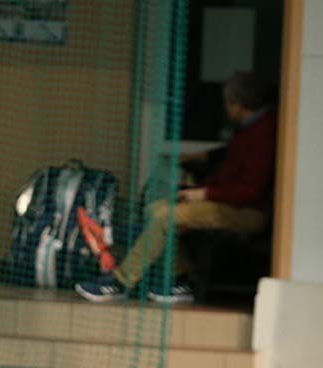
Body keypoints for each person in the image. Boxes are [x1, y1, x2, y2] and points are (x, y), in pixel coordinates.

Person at [75, 71, 277, 303]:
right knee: (155, 209)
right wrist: (195, 165)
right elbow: (228, 157)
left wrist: (204, 194)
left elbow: (250, 190)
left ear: (238, 105)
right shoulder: (249, 128)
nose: (226, 109)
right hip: (227, 202)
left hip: (248, 211)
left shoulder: (264, 131)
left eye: (228, 103)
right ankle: (177, 280)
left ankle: (120, 282)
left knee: (166, 217)